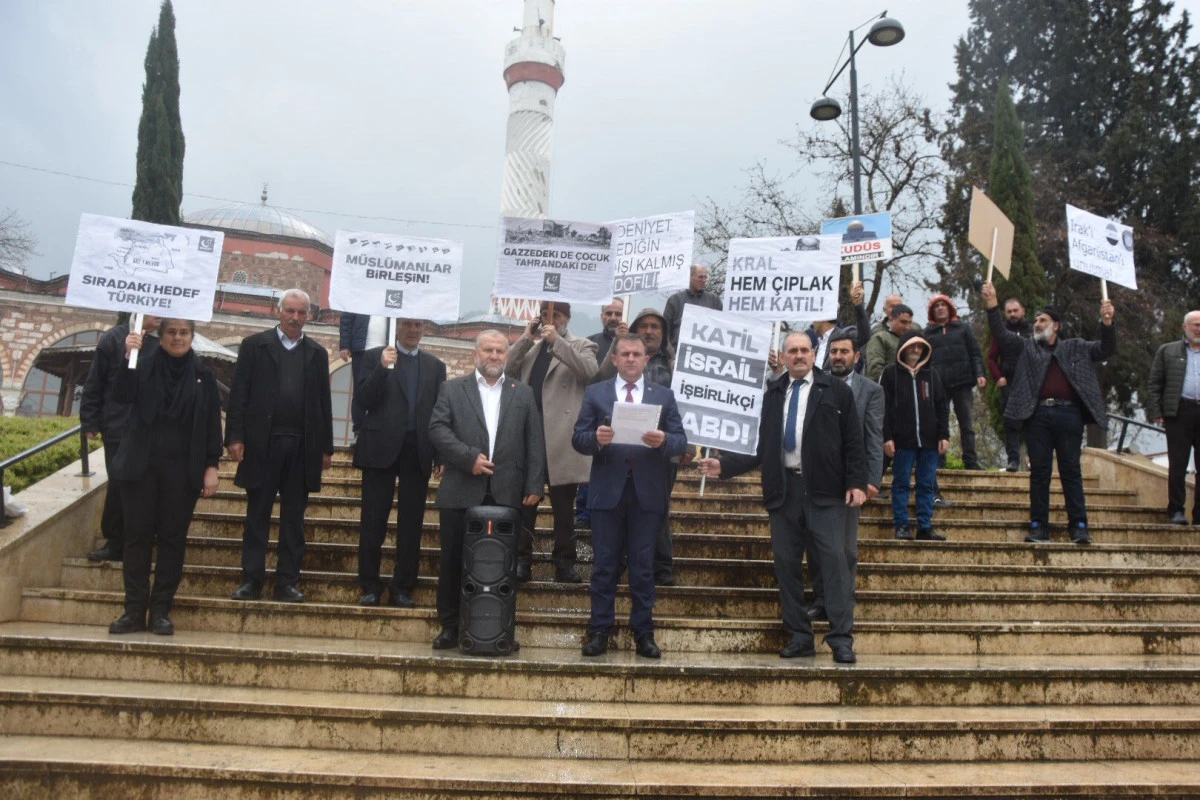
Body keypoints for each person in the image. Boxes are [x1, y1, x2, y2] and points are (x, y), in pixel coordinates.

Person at [698, 332, 867, 664]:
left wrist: (857, 482)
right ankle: (800, 636)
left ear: (814, 354)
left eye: (805, 350)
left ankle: (840, 638)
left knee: (834, 564)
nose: (799, 355)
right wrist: (725, 465)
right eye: (793, 351)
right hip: (784, 492)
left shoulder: (836, 391)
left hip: (826, 492)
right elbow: (760, 447)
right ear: (784, 356)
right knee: (786, 566)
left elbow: (854, 441)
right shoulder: (772, 394)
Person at [428, 330, 546, 649]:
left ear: (507, 356)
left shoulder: (522, 393)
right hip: (461, 490)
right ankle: (450, 626)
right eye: (488, 350)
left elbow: (535, 439)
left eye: (500, 351)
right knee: (453, 561)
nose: (494, 356)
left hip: (507, 492)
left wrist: (536, 483)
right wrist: (468, 459)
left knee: (502, 566)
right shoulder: (452, 389)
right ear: (475, 355)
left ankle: (501, 628)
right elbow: (437, 429)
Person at [572, 333, 687, 659]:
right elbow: (578, 439)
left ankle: (644, 633)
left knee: (643, 567)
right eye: (626, 354)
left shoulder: (663, 396)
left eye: (638, 354)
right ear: (615, 359)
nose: (632, 359)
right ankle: (599, 632)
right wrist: (596, 438)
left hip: (647, 493)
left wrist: (664, 439)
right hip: (608, 493)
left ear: (646, 359)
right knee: (604, 566)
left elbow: (681, 442)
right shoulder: (596, 393)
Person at [107, 319, 222, 635]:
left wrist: (211, 466)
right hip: (140, 468)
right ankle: (133, 611)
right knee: (137, 538)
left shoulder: (203, 377)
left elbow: (212, 425)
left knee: (172, 540)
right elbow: (121, 394)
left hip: (182, 472)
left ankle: (160, 611)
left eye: (184, 332)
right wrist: (127, 356)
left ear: (192, 337)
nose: (178, 338)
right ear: (160, 337)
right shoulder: (141, 366)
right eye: (171, 332)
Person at [983, 281, 1115, 544]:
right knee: (1039, 473)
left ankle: (1078, 527)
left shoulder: (1076, 346)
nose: (1037, 324)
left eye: (1043, 320)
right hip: (1038, 418)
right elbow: (1001, 334)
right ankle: (1038, 527)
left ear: (1056, 325)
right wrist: (992, 304)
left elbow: (1106, 349)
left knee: (1071, 472)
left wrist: (1107, 323)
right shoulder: (1027, 347)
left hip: (1069, 417)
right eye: (1036, 320)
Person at [226, 289, 334, 603]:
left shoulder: (316, 353)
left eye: (302, 313)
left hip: (301, 446)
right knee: (257, 515)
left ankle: (286, 581)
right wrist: (235, 436)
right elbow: (239, 394)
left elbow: (323, 404)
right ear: (279, 311)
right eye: (290, 311)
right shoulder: (254, 346)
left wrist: (325, 447)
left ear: (309, 316)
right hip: (262, 444)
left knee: (293, 519)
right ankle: (251, 580)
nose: (295, 318)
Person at [353, 318, 446, 607]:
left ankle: (403, 586)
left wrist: (440, 453)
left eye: (418, 325)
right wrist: (381, 368)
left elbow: (440, 413)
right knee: (373, 521)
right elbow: (364, 399)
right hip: (379, 448)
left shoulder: (435, 366)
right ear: (397, 326)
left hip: (417, 450)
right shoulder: (374, 357)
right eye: (407, 324)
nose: (413, 330)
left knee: (411, 525)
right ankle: (370, 584)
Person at [507, 302, 597, 583]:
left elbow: (591, 373)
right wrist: (525, 337)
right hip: (530, 436)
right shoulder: (532, 348)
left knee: (563, 507)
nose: (550, 320)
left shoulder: (582, 344)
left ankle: (565, 562)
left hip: (562, 436)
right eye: (546, 314)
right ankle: (521, 560)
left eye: (556, 315)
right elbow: (508, 368)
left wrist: (557, 341)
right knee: (526, 503)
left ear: (567, 318)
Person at [595, 307, 680, 584]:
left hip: (660, 453)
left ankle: (661, 565)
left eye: (656, 326)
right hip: (619, 453)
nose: (650, 331)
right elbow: (599, 381)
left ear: (664, 333)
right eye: (643, 326)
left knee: (659, 508)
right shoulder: (622, 362)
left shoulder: (675, 362)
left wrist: (677, 444)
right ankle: (619, 563)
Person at [807, 331, 883, 622]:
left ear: (857, 357)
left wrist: (871, 479)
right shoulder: (814, 385)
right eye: (834, 352)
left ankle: (843, 601)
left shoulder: (871, 391)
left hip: (852, 479)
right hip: (817, 478)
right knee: (815, 544)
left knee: (845, 548)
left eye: (844, 352)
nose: (838, 357)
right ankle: (823, 599)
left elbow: (874, 437)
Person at [79, 314, 161, 562]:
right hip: (118, 426)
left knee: (147, 487)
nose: (160, 316)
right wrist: (90, 420)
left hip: (151, 430)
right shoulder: (112, 339)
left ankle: (141, 542)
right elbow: (95, 381)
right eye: (155, 310)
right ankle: (115, 541)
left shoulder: (166, 341)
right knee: (118, 484)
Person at [880, 330, 951, 541]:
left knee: (927, 483)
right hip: (902, 440)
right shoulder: (890, 374)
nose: (916, 350)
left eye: (920, 347)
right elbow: (883, 408)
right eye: (912, 346)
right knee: (901, 482)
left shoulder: (932, 375)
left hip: (929, 441)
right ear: (903, 347)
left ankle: (925, 526)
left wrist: (943, 435)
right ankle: (901, 525)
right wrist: (887, 437)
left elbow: (942, 407)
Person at [1146, 310, 1200, 524]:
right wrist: (1156, 411)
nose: (1198, 328)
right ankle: (1176, 510)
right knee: (1178, 464)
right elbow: (1155, 383)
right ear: (1184, 327)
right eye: (1195, 324)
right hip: (1179, 412)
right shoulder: (1167, 351)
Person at [925, 295, 985, 473]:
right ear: (932, 311)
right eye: (937, 306)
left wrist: (980, 374)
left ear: (950, 308)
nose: (940, 308)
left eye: (944, 305)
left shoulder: (964, 328)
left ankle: (971, 461)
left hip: (963, 382)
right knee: (939, 424)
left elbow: (975, 353)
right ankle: (939, 461)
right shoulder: (927, 333)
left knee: (967, 423)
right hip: (938, 385)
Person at [987, 298, 1035, 471]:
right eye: (1009, 312)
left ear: (1023, 311)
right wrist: (998, 377)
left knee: (1034, 422)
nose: (1013, 314)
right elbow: (991, 358)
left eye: (1015, 310)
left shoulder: (1033, 331)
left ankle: (1033, 459)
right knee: (1011, 422)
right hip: (1009, 383)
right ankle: (1013, 460)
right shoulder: (1001, 333)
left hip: (1031, 383)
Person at [338, 311, 388, 439]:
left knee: (385, 390)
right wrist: (344, 344)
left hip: (386, 351)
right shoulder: (362, 292)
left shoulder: (390, 292)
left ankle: (381, 429)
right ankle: (358, 430)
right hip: (361, 349)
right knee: (359, 390)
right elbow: (347, 317)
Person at [805, 282, 870, 371]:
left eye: (815, 316)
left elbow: (864, 336)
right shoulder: (817, 346)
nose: (812, 322)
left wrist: (858, 305)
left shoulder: (845, 335)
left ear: (824, 316)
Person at [662, 264, 722, 351]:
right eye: (700, 277)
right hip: (678, 353)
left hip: (705, 353)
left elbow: (720, 330)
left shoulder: (714, 301)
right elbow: (665, 331)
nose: (704, 280)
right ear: (690, 277)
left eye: (705, 277)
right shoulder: (675, 300)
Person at [865, 304, 913, 383]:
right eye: (903, 322)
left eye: (910, 323)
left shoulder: (913, 342)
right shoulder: (880, 338)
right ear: (891, 320)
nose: (907, 327)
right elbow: (875, 370)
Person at [587, 298, 625, 365]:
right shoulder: (589, 343)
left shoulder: (636, 344)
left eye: (618, 314)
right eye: (609, 313)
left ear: (625, 316)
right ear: (602, 317)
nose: (613, 318)